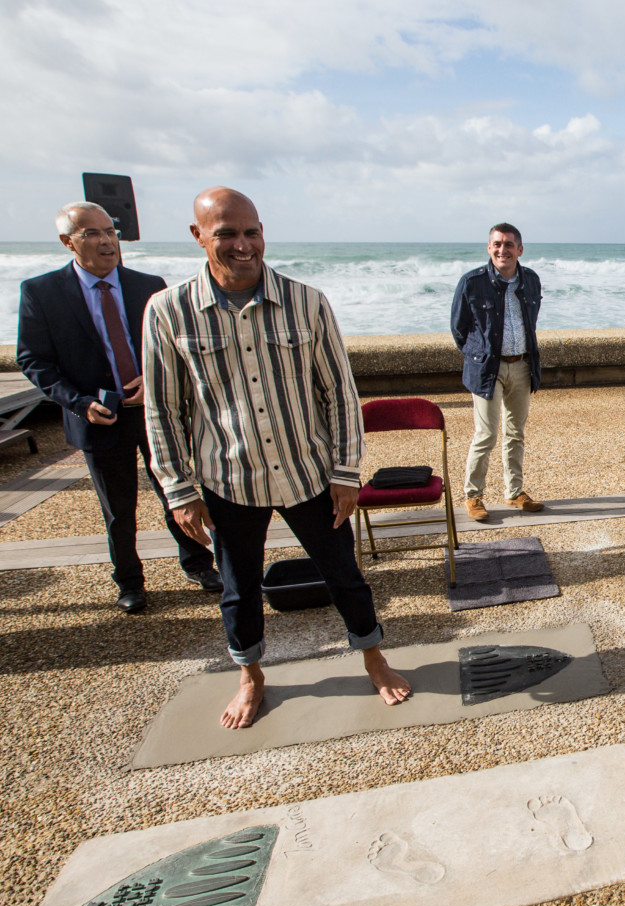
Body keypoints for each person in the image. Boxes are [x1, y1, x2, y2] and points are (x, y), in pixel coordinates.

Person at [143, 187, 412, 729]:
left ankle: (374, 658)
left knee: (345, 575)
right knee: (238, 588)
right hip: (227, 479)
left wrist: (345, 472)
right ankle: (251, 676)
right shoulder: (167, 311)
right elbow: (164, 409)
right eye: (226, 234)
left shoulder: (306, 301)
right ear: (198, 236)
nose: (244, 245)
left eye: (252, 231)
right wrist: (180, 492)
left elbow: (338, 392)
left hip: (309, 473)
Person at [16, 202, 220, 614]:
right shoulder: (42, 292)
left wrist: (153, 378)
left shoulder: (149, 285)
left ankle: (199, 564)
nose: (106, 241)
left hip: (153, 410)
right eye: (92, 233)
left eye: (110, 231)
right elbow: (33, 359)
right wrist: (80, 403)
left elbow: (173, 347)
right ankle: (129, 580)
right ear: (67, 242)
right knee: (118, 508)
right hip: (98, 417)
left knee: (175, 491)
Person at [450, 222, 545, 521]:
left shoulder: (531, 280)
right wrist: (478, 356)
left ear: (520, 249)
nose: (502, 250)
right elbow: (459, 328)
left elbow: (531, 320)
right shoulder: (472, 282)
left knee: (516, 433)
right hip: (488, 368)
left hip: (523, 365)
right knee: (486, 434)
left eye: (508, 244)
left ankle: (514, 491)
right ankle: (473, 495)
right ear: (489, 248)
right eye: (497, 244)